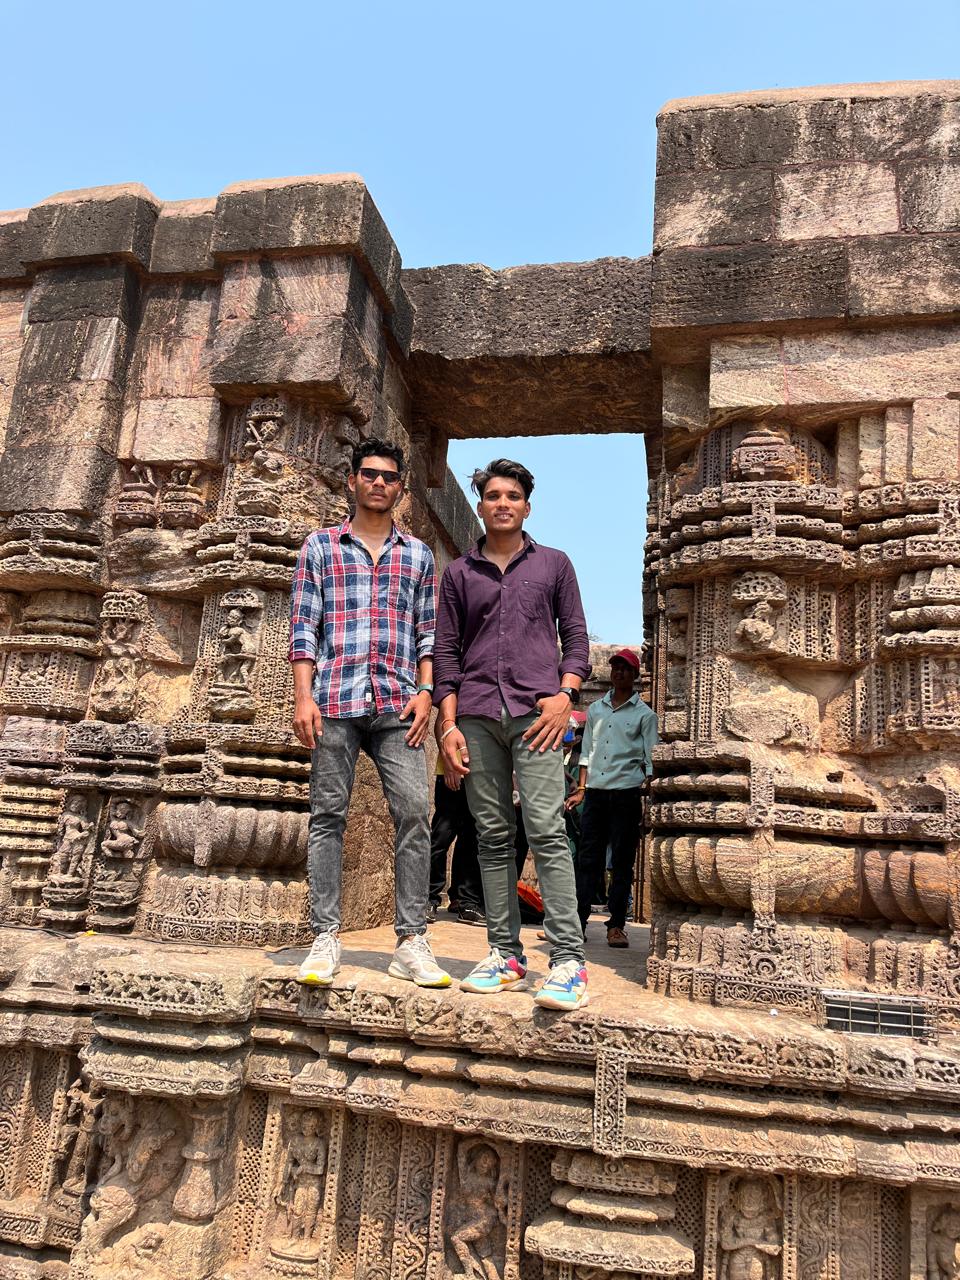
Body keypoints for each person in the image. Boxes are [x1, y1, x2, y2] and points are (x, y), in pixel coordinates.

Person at [289, 438, 451, 989]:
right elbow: (304, 628)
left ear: (401, 488)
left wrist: (427, 692)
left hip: (398, 701)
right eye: (369, 473)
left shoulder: (418, 556)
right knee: (327, 816)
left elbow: (428, 632)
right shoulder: (320, 547)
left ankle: (411, 940)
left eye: (389, 476)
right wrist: (302, 696)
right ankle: (325, 935)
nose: (379, 482)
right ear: (353, 480)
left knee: (415, 812)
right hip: (334, 698)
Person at [433, 458, 591, 1010]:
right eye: (493, 495)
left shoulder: (553, 565)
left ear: (527, 506)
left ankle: (569, 960)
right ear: (480, 506)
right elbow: (446, 654)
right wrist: (447, 725)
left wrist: (565, 696)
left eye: (513, 496)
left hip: (536, 716)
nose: (503, 503)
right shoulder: (459, 574)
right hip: (476, 714)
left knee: (546, 830)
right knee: (492, 836)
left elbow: (575, 638)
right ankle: (505, 955)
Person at [567, 648, 658, 947]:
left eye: (625, 668)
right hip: (595, 794)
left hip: (625, 794)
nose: (619, 672)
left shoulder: (645, 716)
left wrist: (648, 792)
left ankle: (616, 925)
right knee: (588, 860)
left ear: (635, 675)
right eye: (615, 667)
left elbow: (651, 759)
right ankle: (577, 923)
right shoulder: (596, 710)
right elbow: (587, 752)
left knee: (621, 863)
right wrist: (582, 790)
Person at [429, 722, 485, 926]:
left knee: (472, 837)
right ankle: (428, 898)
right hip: (451, 769)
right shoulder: (455, 702)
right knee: (441, 835)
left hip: (482, 774)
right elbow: (441, 724)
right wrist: (447, 762)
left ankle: (466, 901)